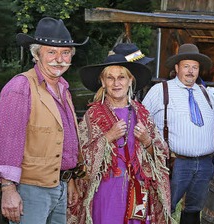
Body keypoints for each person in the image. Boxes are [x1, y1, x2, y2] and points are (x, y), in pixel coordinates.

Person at [0, 17, 87, 224]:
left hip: (59, 187)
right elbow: (8, 141)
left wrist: (69, 180)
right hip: (31, 190)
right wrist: (8, 189)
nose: (59, 59)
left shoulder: (64, 89)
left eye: (65, 53)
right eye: (51, 52)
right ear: (36, 54)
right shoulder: (21, 87)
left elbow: (64, 140)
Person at [68, 53, 171, 224]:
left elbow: (161, 155)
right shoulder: (93, 116)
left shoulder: (142, 114)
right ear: (103, 82)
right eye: (110, 78)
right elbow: (80, 157)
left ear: (130, 80)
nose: (116, 83)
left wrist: (147, 141)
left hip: (137, 189)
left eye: (122, 77)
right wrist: (107, 137)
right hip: (105, 190)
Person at [142, 43, 214, 224]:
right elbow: (141, 120)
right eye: (186, 66)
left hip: (205, 164)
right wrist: (152, 147)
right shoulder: (161, 90)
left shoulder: (205, 93)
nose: (191, 71)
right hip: (175, 163)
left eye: (195, 67)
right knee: (164, 208)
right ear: (176, 68)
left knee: (194, 211)